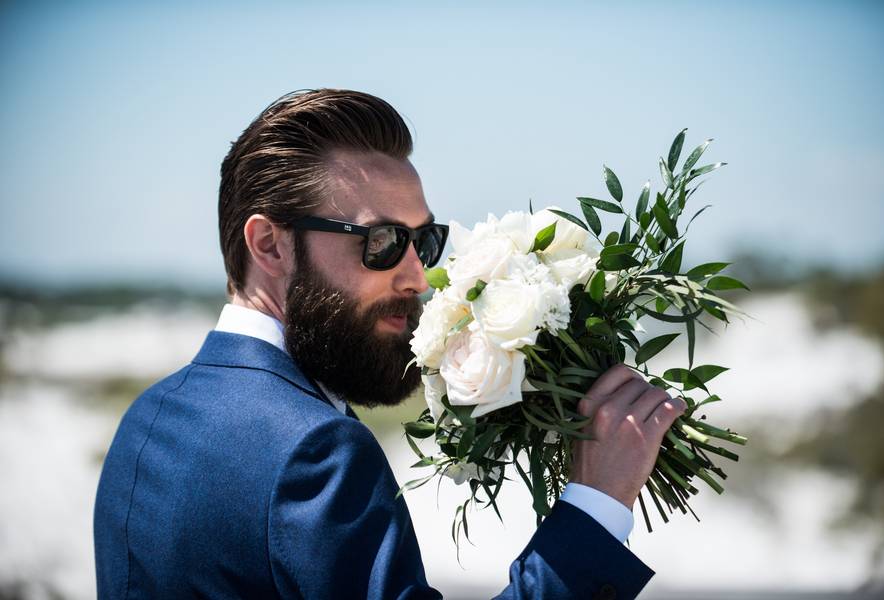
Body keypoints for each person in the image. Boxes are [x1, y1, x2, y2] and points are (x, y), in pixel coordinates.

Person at [93, 88, 686, 599]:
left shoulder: (143, 422)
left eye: (423, 240)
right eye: (381, 241)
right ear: (270, 246)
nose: (416, 276)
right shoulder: (316, 450)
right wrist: (597, 503)